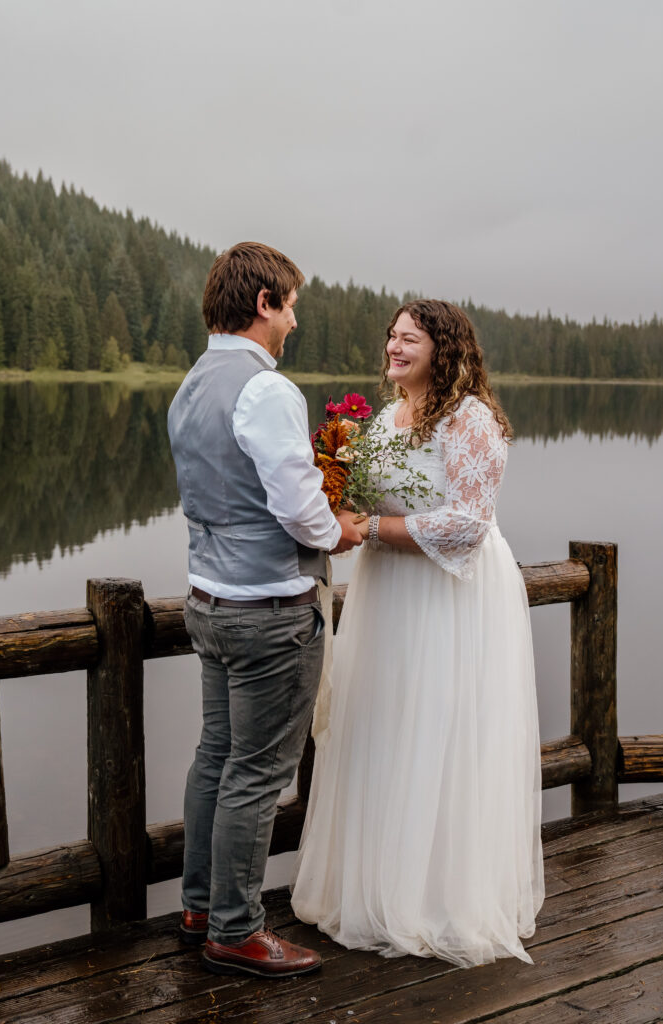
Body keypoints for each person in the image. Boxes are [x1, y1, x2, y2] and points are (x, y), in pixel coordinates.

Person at [291, 299, 545, 966]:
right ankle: (373, 884)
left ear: (443, 348)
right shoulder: (381, 420)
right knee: (382, 724)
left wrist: (367, 529)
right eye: (391, 336)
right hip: (388, 593)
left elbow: (466, 523)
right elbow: (363, 501)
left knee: (440, 727)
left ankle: (437, 897)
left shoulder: (470, 420)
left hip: (449, 595)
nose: (393, 346)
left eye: (409, 338)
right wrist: (338, 514)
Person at [167, 242, 363, 978]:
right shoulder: (266, 389)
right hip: (271, 612)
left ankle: (197, 906)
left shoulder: (190, 383)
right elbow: (297, 508)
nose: (294, 321)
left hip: (208, 600)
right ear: (263, 304)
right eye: (291, 306)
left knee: (216, 757)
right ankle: (236, 929)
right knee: (255, 773)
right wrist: (337, 528)